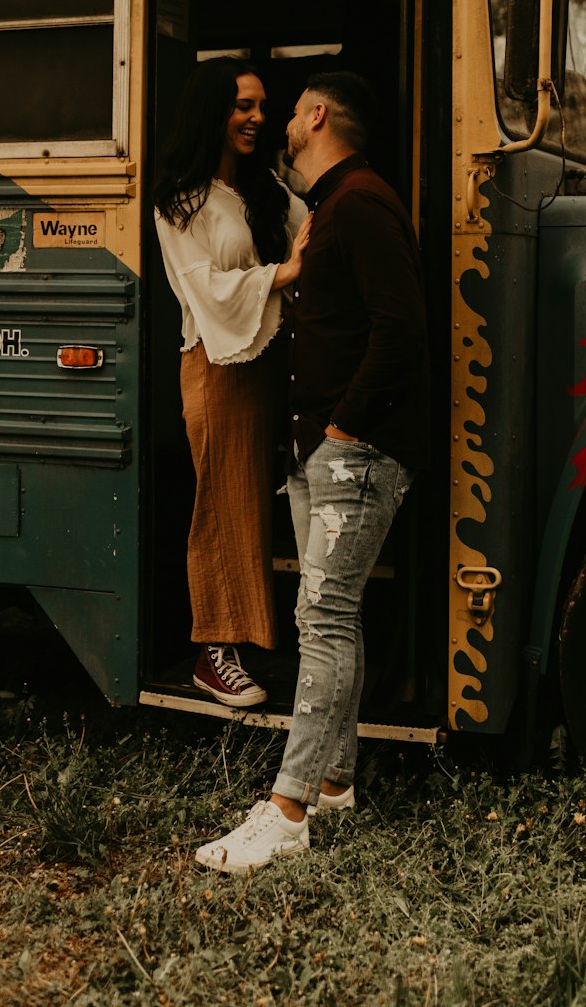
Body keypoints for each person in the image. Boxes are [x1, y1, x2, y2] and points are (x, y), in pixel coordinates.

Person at [196, 70, 429, 872]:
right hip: (329, 453)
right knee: (334, 618)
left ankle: (286, 810)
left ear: (319, 115)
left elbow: (401, 329)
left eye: (292, 112)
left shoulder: (358, 201)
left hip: (351, 455)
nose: (284, 123)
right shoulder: (339, 203)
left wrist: (344, 427)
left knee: (323, 621)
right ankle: (336, 787)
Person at [154, 57, 310, 708]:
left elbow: (312, 221)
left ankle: (257, 640)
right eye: (242, 106)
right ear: (213, 111)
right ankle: (213, 652)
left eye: (261, 107)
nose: (255, 118)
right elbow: (205, 289)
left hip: (268, 363)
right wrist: (285, 273)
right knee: (224, 508)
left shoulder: (262, 188)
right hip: (218, 369)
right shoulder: (181, 201)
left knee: (260, 506)